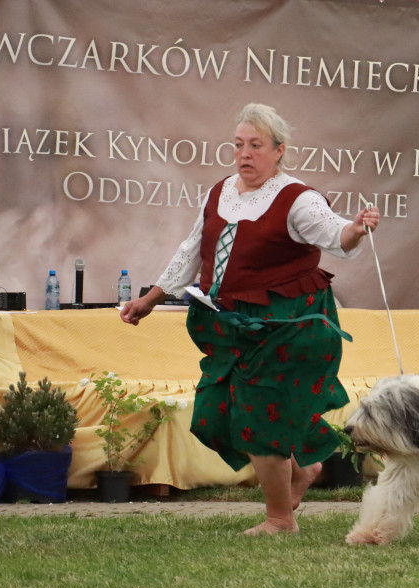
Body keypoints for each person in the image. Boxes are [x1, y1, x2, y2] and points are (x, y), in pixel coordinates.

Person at [121, 103, 379, 535]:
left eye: (256, 146)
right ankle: (300, 472)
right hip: (230, 323)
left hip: (288, 324)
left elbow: (337, 235)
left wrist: (357, 228)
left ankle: (280, 519)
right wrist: (150, 299)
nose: (245, 154)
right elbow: (190, 251)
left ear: (279, 151)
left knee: (260, 416)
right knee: (213, 411)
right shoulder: (219, 191)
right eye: (239, 145)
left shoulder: (298, 198)